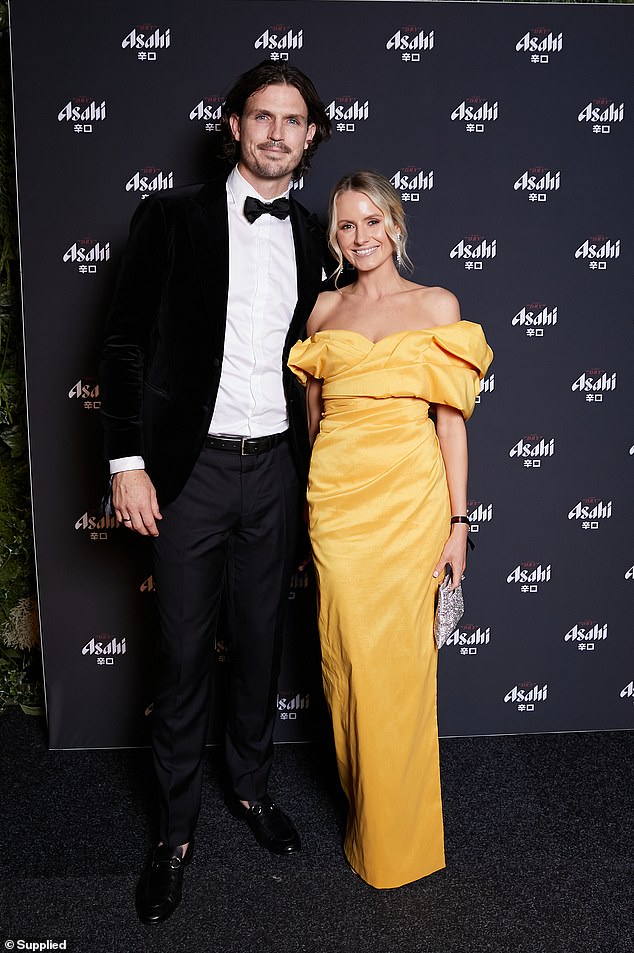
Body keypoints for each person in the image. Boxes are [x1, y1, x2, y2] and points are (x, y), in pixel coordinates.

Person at [99, 61, 331, 924]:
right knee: (185, 654)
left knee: (264, 644)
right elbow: (122, 344)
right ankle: (174, 832)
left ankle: (253, 790)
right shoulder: (168, 218)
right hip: (186, 473)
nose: (276, 131)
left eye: (292, 120)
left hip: (277, 468)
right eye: (261, 116)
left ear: (310, 137)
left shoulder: (317, 237)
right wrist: (127, 462)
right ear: (234, 125)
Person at [287, 171, 493, 889]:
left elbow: (452, 426)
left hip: (412, 509)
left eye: (372, 221)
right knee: (349, 664)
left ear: (395, 226)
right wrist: (319, 505)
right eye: (346, 225)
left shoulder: (437, 305)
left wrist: (459, 522)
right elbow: (314, 422)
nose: (360, 235)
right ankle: (365, 806)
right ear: (335, 238)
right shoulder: (323, 311)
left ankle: (396, 837)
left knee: (401, 674)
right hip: (340, 509)